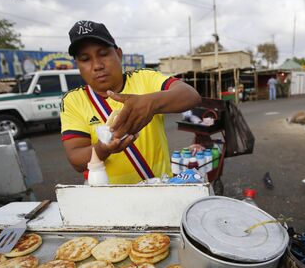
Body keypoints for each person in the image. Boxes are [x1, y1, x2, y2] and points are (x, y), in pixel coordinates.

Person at [60, 20, 201, 184]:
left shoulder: (145, 78)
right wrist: (103, 149)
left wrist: (151, 103)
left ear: (119, 54)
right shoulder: (74, 101)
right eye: (85, 59)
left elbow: (191, 96)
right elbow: (76, 159)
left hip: (161, 190)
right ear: (78, 65)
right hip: (110, 199)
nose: (97, 65)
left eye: (104, 54)